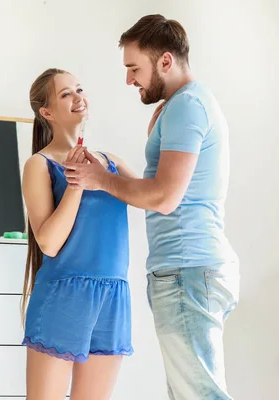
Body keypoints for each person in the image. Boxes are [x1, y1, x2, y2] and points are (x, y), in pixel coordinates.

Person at [63, 14, 240, 400]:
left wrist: (98, 180)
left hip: (187, 270)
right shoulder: (183, 105)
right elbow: (160, 185)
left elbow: (164, 197)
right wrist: (106, 171)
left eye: (133, 68)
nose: (129, 80)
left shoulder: (188, 106)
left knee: (200, 394)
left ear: (165, 61)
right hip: (189, 269)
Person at [21, 68, 137, 400]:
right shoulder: (39, 165)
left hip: (113, 297)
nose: (77, 97)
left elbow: (155, 199)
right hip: (64, 295)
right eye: (65, 94)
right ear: (47, 113)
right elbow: (49, 242)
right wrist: (76, 181)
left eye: (79, 89)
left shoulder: (110, 162)